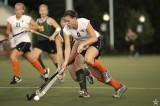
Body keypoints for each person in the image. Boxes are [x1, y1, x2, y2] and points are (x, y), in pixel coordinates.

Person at [62, 10, 127, 98]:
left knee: (88, 59)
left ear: (74, 19)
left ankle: (105, 72)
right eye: (65, 21)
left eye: (68, 21)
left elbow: (94, 38)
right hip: (84, 46)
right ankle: (119, 87)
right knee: (94, 73)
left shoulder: (83, 22)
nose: (66, 23)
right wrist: (66, 62)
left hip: (95, 42)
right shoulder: (66, 29)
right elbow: (67, 47)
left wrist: (82, 44)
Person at [6, 3, 49, 84]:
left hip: (25, 42)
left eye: (20, 9)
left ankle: (17, 77)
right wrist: (10, 34)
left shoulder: (27, 18)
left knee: (13, 56)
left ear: (23, 10)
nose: (18, 11)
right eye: (16, 9)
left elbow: (36, 26)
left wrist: (29, 28)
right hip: (17, 43)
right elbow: (8, 30)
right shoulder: (10, 19)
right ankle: (44, 74)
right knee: (32, 59)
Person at [33, 4, 63, 81]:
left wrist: (53, 36)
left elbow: (58, 28)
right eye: (41, 10)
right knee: (34, 57)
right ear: (39, 11)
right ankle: (45, 69)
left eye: (44, 10)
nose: (42, 12)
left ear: (47, 11)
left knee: (55, 60)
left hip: (49, 42)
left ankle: (61, 73)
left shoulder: (49, 20)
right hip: (40, 42)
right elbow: (36, 29)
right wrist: (34, 30)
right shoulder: (37, 20)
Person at [60, 17, 94, 84]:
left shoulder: (75, 32)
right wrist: (62, 64)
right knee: (76, 78)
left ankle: (84, 91)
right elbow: (63, 49)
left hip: (78, 52)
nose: (66, 28)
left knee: (78, 68)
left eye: (66, 25)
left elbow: (79, 42)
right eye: (63, 27)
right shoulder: (61, 34)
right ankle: (87, 72)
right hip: (68, 55)